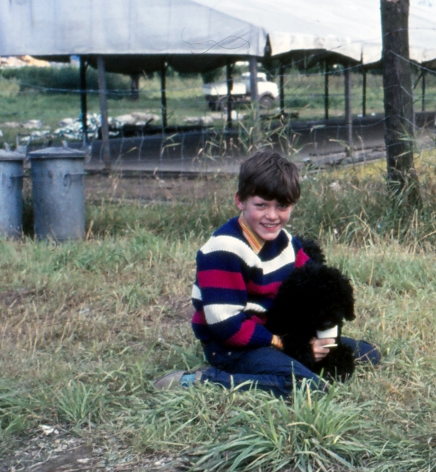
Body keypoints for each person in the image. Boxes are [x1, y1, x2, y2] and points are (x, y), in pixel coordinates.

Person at [154, 151, 380, 395]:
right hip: (233, 344)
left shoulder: (286, 243)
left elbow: (316, 292)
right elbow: (226, 325)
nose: (272, 216)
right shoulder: (224, 250)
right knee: (308, 387)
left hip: (275, 331)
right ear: (240, 201)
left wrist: (323, 338)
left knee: (369, 354)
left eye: (282, 206)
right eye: (261, 205)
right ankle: (206, 380)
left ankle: (282, 365)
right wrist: (288, 345)